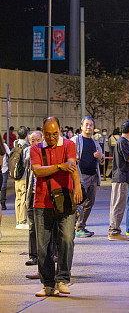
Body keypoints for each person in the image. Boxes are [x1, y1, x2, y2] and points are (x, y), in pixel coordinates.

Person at [30, 117, 82, 297]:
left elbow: (72, 166)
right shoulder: (35, 148)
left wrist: (77, 187)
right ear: (42, 132)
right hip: (42, 202)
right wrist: (60, 166)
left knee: (67, 240)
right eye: (47, 134)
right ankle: (48, 284)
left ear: (59, 130)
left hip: (66, 201)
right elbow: (37, 170)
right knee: (43, 247)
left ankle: (63, 279)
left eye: (55, 134)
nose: (51, 138)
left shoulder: (68, 145)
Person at [71, 117, 103, 238]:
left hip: (93, 176)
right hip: (80, 176)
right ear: (81, 127)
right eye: (87, 125)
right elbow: (68, 155)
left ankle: (81, 226)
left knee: (90, 202)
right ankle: (73, 227)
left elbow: (102, 160)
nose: (89, 127)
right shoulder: (75, 140)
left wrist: (100, 156)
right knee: (79, 202)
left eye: (91, 125)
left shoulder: (95, 142)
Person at [108, 121, 129, 241]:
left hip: (119, 177)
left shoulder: (121, 141)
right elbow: (128, 159)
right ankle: (114, 232)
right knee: (119, 205)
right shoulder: (123, 142)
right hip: (121, 177)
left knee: (116, 204)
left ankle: (114, 230)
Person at [25, 130, 43, 269]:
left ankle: (49, 255)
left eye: (37, 140)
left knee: (46, 228)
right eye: (32, 140)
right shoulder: (28, 155)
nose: (35, 143)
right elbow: (27, 178)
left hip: (44, 197)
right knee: (32, 228)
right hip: (32, 195)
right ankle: (33, 255)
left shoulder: (46, 154)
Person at [13, 127, 30, 229]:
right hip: (24, 176)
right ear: (27, 135)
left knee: (17, 198)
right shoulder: (26, 147)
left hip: (16, 176)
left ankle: (18, 220)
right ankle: (22, 221)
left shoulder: (15, 146)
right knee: (23, 198)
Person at [1, 134, 11, 210]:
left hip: (3, 169)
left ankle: (3, 202)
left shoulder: (4, 145)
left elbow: (10, 154)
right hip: (3, 169)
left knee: (3, 187)